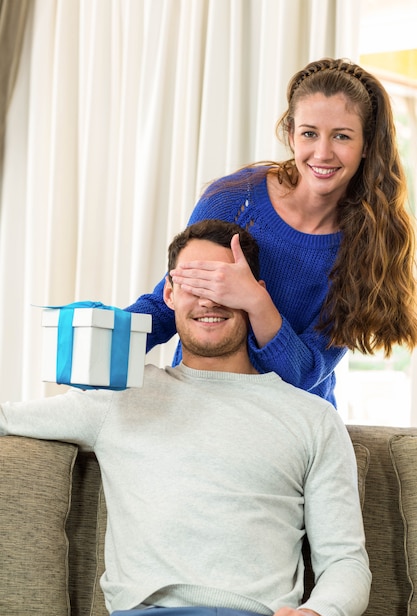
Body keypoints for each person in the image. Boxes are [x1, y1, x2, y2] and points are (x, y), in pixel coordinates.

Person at [0, 220, 371, 616]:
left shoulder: (312, 418)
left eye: (222, 283)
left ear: (254, 293)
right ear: (170, 294)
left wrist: (318, 615)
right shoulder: (118, 400)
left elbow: (346, 562)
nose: (209, 300)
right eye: (194, 283)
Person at [126, 57, 417, 408]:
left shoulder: (366, 246)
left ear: (366, 144)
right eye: (309, 133)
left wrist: (254, 299)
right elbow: (166, 305)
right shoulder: (235, 200)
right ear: (291, 133)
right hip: (201, 406)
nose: (322, 153)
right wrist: (95, 337)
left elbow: (306, 372)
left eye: (341, 136)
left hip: (295, 421)